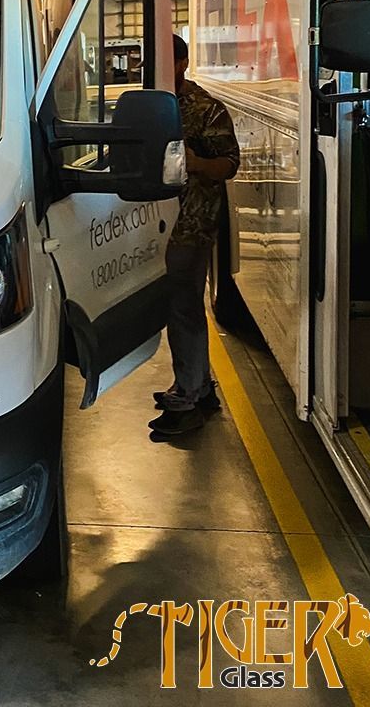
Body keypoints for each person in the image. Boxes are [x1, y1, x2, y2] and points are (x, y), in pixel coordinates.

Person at [149, 34, 240, 439]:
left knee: (182, 305)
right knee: (178, 305)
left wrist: (196, 162)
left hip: (193, 221)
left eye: (167, 61)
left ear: (183, 63)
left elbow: (229, 165)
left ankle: (189, 395)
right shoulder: (147, 105)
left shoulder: (206, 109)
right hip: (156, 222)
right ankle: (198, 388)